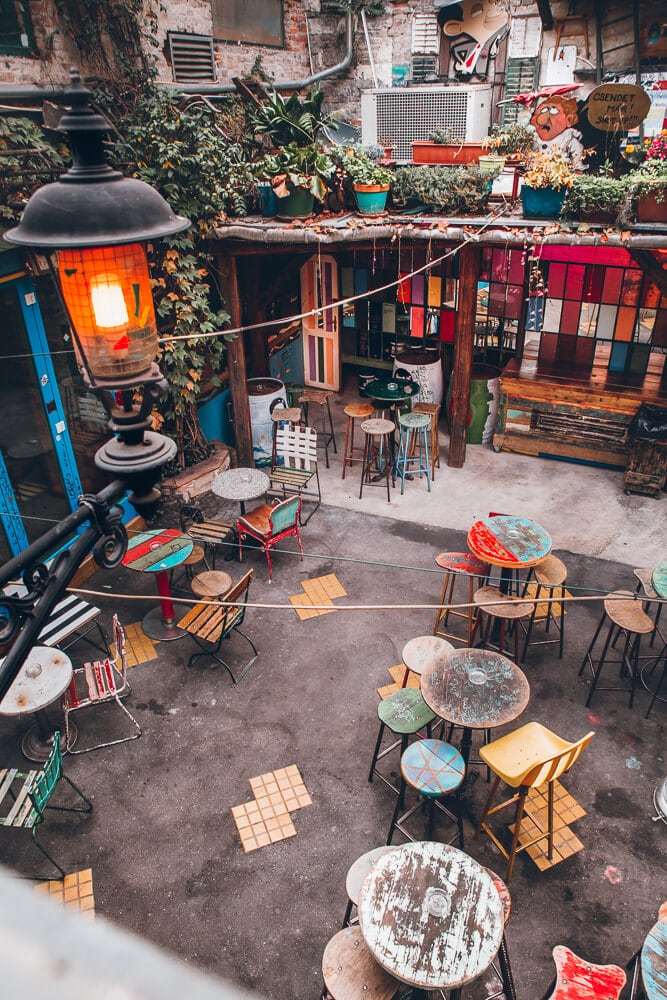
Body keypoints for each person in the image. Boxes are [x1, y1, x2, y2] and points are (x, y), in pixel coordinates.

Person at [530, 94, 585, 169]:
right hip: (536, 172)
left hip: (559, 172)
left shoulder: (567, 138)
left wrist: (575, 167)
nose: (544, 120)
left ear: (569, 120)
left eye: (554, 111)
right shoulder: (534, 138)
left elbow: (577, 152)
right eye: (543, 111)